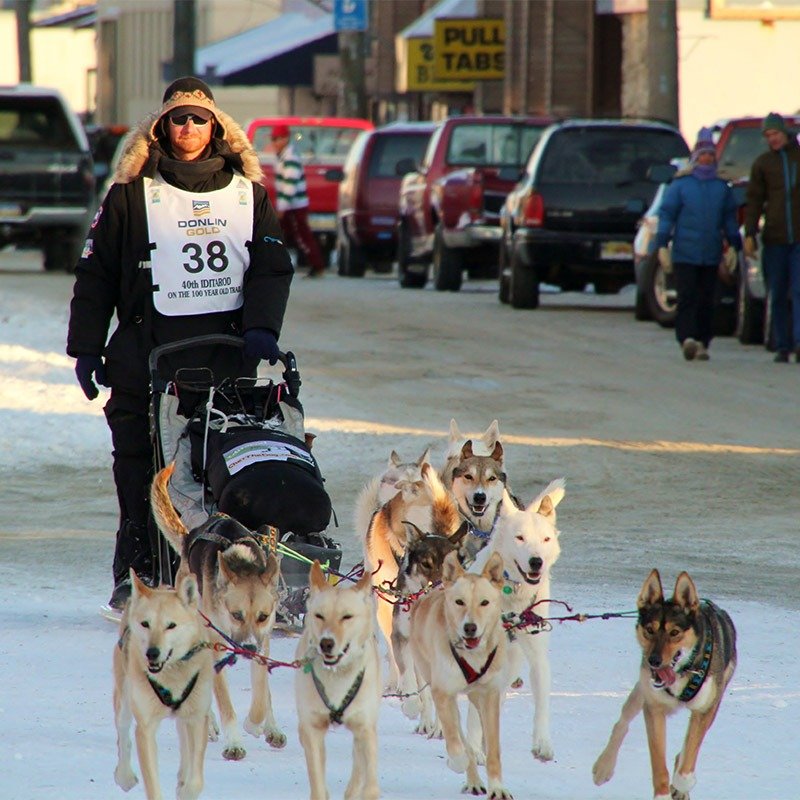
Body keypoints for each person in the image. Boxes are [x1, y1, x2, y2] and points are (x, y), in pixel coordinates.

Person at [66, 76, 294, 610]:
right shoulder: (130, 192)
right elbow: (95, 273)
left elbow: (270, 265)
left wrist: (263, 329)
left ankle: (234, 575)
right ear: (162, 126)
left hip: (226, 356)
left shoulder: (249, 193)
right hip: (145, 356)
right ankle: (138, 570)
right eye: (178, 118)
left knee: (224, 470)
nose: (188, 127)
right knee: (140, 470)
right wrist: (86, 346)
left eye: (198, 118)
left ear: (215, 127)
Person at [655, 127, 742, 361]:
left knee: (707, 300)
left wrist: (734, 245)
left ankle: (703, 341)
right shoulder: (682, 185)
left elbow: (728, 219)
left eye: (710, 155)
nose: (706, 159)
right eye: (703, 155)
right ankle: (687, 338)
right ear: (695, 157)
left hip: (710, 253)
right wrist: (662, 243)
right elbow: (667, 215)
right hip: (685, 252)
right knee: (687, 297)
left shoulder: (721, 188)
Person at [744, 112, 800, 362]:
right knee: (777, 292)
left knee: (799, 291)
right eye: (768, 136)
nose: (772, 139)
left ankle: (799, 343)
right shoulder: (763, 164)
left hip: (799, 238)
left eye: (775, 134)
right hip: (775, 238)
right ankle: (782, 345)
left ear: (785, 133)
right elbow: (754, 201)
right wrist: (750, 233)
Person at [270, 123, 326, 277]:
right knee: (282, 235)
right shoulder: (283, 157)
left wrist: (282, 207)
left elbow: (290, 184)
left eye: (277, 139)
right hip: (290, 205)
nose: (274, 143)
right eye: (273, 139)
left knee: (301, 235)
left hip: (294, 206)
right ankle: (276, 264)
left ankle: (317, 265)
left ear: (286, 139)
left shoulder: (290, 158)